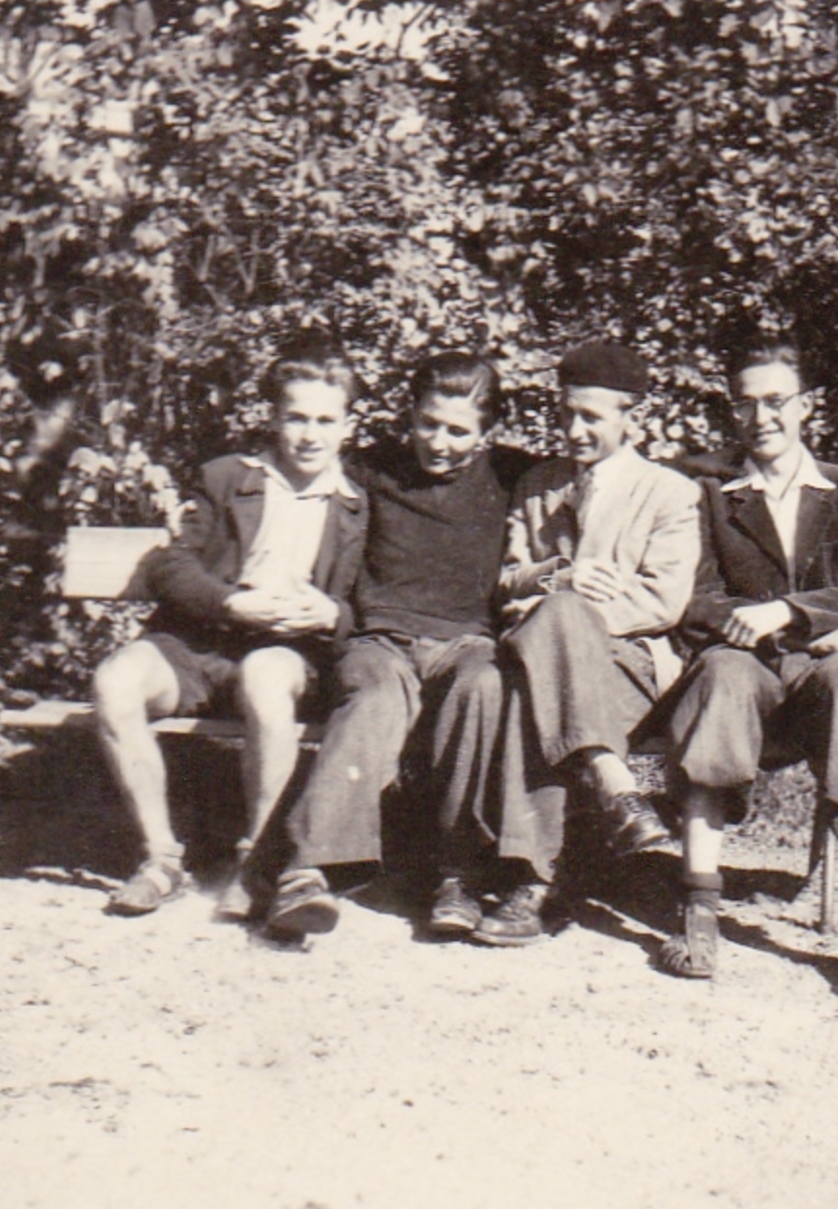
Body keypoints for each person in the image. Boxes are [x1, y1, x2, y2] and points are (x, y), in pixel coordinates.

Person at [659, 343, 838, 984]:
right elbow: (695, 601)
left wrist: (794, 614)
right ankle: (698, 911)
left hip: (829, 676)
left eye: (776, 401)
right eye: (745, 404)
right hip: (744, 672)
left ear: (806, 406)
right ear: (732, 412)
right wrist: (793, 630)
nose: (762, 418)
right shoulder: (707, 493)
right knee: (721, 675)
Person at [260, 353, 534, 939]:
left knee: (485, 687)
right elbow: (292, 480)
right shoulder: (370, 469)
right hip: (380, 639)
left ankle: (459, 874)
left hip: (467, 642)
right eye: (428, 423)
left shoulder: (511, 475)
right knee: (375, 696)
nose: (439, 442)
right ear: (410, 414)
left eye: (459, 431)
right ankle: (307, 872)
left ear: (487, 433)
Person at [90, 341, 366, 919]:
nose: (309, 435)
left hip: (289, 652)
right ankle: (161, 859)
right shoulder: (227, 478)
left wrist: (331, 616)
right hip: (199, 643)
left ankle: (255, 864)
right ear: (274, 418)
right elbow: (169, 565)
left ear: (348, 425)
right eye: (296, 418)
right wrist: (232, 604)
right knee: (115, 680)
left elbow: (375, 600)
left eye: (325, 420)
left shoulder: (360, 503)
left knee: (265, 674)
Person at [460, 341, 703, 947]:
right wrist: (558, 579)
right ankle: (612, 786)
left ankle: (534, 883)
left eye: (590, 417)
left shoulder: (669, 493)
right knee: (531, 674)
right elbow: (508, 581)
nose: (573, 429)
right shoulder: (538, 485)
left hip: (629, 667)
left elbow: (661, 602)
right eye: (565, 413)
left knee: (543, 658)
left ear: (632, 418)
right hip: (547, 665)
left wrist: (565, 614)